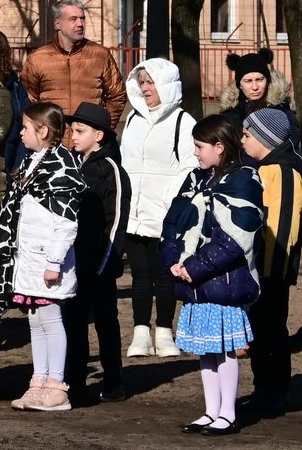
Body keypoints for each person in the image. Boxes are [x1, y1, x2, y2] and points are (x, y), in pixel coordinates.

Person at [161, 114, 263, 435]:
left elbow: (236, 238)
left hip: (224, 282)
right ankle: (210, 411)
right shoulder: (196, 178)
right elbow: (173, 220)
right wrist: (172, 260)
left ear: (220, 147)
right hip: (196, 281)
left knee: (225, 349)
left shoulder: (245, 181)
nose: (195, 153)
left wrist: (193, 267)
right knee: (206, 350)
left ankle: (228, 413)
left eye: (199, 146)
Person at [0, 101, 86, 413]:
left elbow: (66, 222)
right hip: (29, 260)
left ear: (43, 131)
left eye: (26, 128)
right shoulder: (31, 162)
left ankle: (56, 386)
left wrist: (54, 262)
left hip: (46, 261)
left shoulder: (61, 168)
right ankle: (39, 382)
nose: (20, 133)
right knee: (35, 320)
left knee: (51, 320)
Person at [121, 57, 195, 357]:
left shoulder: (183, 122)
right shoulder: (132, 119)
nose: (146, 88)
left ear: (166, 84)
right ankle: (140, 332)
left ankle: (164, 332)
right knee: (139, 274)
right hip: (134, 211)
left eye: (151, 82)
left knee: (164, 274)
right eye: (142, 83)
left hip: (165, 214)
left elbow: (190, 167)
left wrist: (169, 201)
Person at [239, 107, 302, 416]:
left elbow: (284, 226)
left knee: (272, 328)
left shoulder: (284, 172)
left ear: (266, 139)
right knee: (258, 328)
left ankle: (276, 391)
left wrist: (270, 269)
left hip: (272, 268)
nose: (242, 140)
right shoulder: (264, 169)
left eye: (247, 135)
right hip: (258, 266)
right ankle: (262, 387)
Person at [65, 100, 131, 406]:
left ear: (99, 135)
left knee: (106, 321)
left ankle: (114, 381)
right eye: (73, 130)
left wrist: (107, 262)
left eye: (80, 131)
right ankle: (75, 382)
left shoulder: (111, 170)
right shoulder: (73, 165)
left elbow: (116, 221)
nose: (73, 136)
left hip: (100, 262)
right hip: (73, 262)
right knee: (74, 322)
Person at [21, 0, 125, 129]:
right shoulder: (37, 59)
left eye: (82, 18)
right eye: (73, 19)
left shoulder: (100, 55)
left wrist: (103, 128)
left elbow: (117, 95)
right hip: (53, 138)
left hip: (89, 139)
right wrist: (44, 132)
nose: (80, 24)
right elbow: (29, 100)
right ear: (57, 24)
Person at [219, 48, 291, 138]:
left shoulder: (281, 110)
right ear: (239, 85)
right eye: (248, 81)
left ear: (267, 81)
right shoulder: (229, 116)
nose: (255, 87)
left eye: (259, 79)